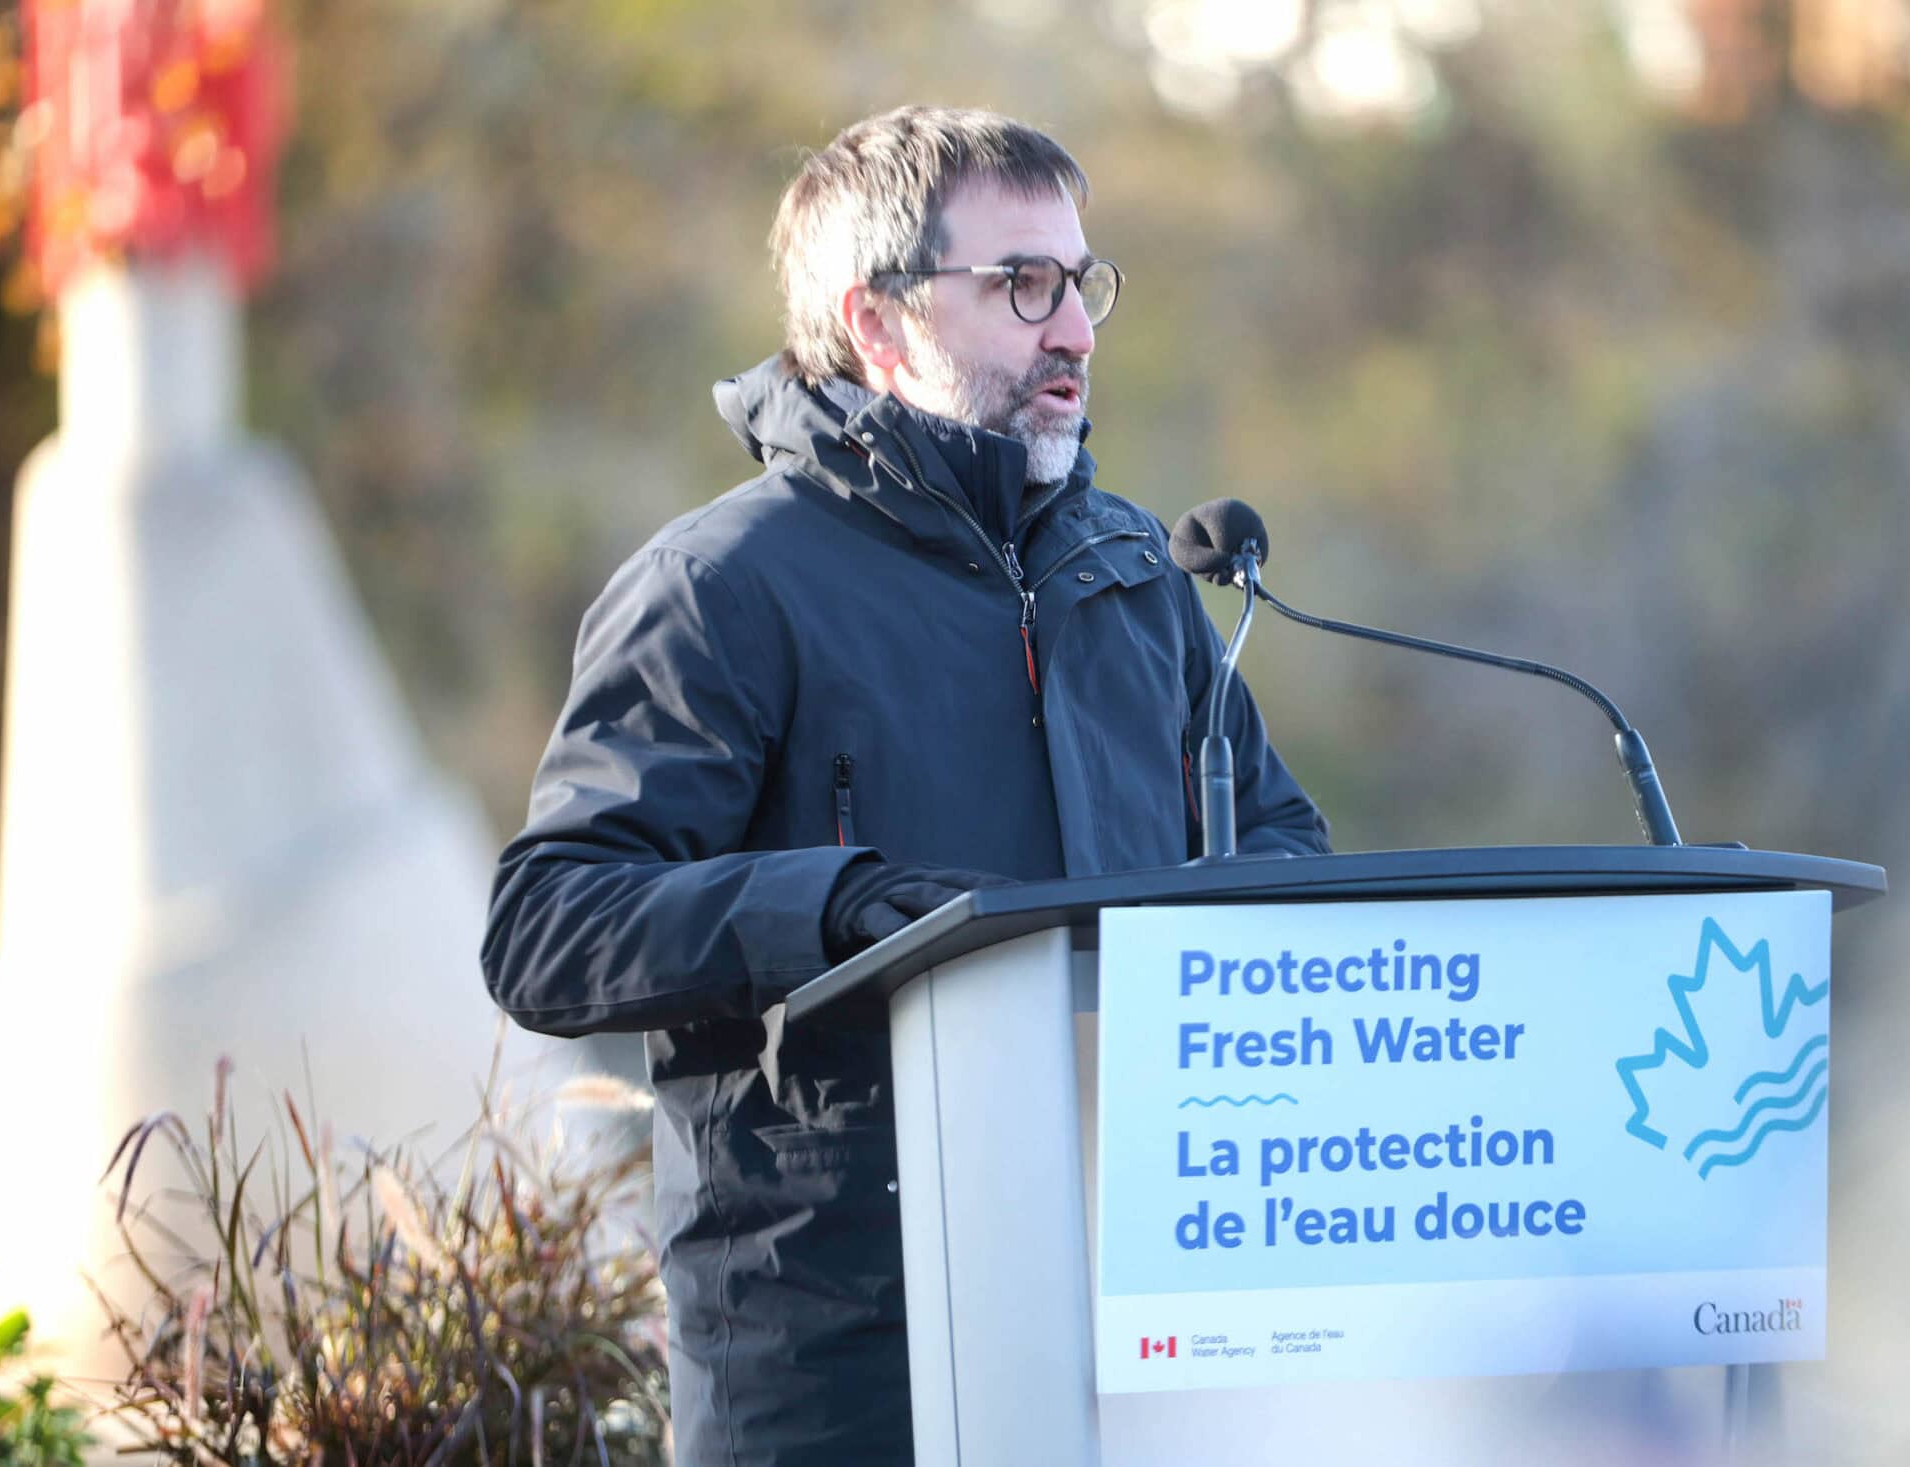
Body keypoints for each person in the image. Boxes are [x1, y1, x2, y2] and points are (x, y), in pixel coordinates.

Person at [480, 106, 1329, 1467]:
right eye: (1022, 285)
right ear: (877, 325)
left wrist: (1230, 935)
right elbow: (549, 925)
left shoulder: (1133, 576)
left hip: (1148, 1322)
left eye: (1082, 282)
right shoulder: (726, 587)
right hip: (842, 1359)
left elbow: (1280, 831)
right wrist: (839, 909)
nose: (1075, 332)